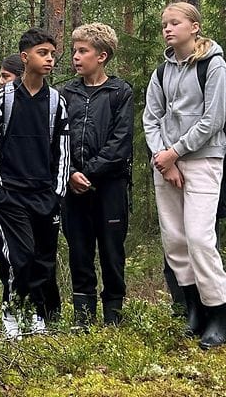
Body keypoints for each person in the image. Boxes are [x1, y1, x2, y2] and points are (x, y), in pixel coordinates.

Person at [143, 2, 226, 350]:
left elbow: (214, 119)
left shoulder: (214, 65)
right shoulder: (161, 72)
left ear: (194, 27)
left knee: (199, 237)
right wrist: (163, 158)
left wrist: (175, 152)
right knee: (175, 240)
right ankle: (194, 309)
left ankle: (219, 316)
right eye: (164, 24)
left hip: (203, 159)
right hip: (166, 163)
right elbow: (151, 118)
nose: (167, 29)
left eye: (175, 23)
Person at [0, 28, 70, 339]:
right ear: (25, 57)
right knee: (19, 256)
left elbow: (63, 150)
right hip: (10, 194)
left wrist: (58, 192)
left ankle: (36, 314)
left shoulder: (56, 102)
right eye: (42, 53)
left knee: (43, 259)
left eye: (52, 54)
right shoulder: (3, 98)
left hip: (45, 194)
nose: (49, 59)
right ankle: (11, 312)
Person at [61, 23, 133, 329]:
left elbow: (121, 142)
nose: (76, 57)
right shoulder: (66, 93)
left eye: (83, 51)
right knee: (79, 250)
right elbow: (57, 139)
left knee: (112, 251)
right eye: (74, 51)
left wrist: (88, 173)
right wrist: (70, 172)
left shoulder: (120, 92)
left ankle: (113, 317)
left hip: (110, 186)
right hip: (72, 186)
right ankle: (83, 318)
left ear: (102, 56)